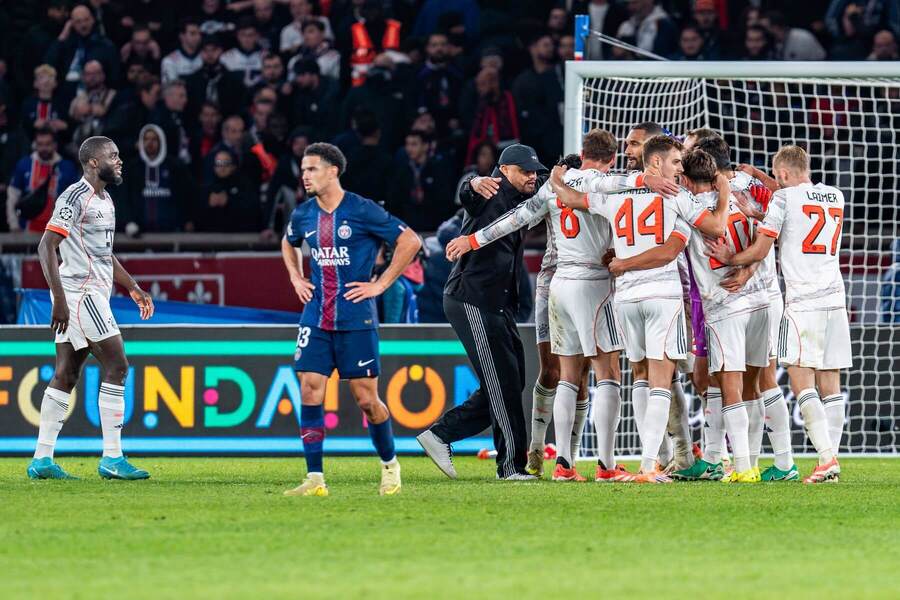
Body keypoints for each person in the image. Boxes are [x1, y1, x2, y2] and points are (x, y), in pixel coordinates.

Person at [445, 131, 678, 481]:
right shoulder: (601, 181)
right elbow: (627, 180)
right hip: (593, 283)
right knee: (607, 373)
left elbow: (516, 218)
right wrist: (649, 178)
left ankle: (564, 464)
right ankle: (605, 464)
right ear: (611, 157)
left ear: (580, 153)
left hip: (558, 284)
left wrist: (472, 239)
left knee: (567, 376)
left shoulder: (555, 185)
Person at [552, 135, 730, 482]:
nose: (680, 168)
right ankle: (650, 464)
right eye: (676, 162)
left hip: (626, 299)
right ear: (656, 163)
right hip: (661, 295)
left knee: (639, 377)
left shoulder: (615, 197)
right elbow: (717, 227)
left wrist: (557, 179)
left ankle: (654, 461)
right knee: (661, 381)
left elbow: (571, 198)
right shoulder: (676, 196)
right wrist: (722, 194)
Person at [281, 142, 422, 496]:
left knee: (366, 401)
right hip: (315, 317)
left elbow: (411, 241)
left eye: (312, 169)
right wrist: (297, 277)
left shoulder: (362, 210)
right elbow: (289, 241)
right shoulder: (303, 214)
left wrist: (380, 284)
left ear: (333, 171)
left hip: (356, 319)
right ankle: (315, 479)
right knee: (310, 389)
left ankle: (390, 465)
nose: (305, 176)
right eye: (303, 170)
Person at [707, 145, 850, 484]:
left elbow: (759, 249)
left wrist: (731, 257)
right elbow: (796, 210)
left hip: (803, 302)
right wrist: (759, 192)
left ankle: (826, 460)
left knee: (801, 380)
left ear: (782, 174)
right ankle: (830, 458)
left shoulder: (783, 201)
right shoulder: (835, 195)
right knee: (830, 382)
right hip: (836, 298)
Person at [416, 144, 547, 481]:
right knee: (502, 384)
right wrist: (471, 182)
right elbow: (467, 194)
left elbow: (551, 181)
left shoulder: (524, 193)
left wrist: (567, 167)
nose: (533, 176)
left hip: (496, 302)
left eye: (535, 170)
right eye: (526, 170)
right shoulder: (489, 190)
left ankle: (441, 434)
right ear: (504, 171)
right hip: (472, 298)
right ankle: (510, 468)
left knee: (510, 380)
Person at [27, 135, 154, 481]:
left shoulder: (106, 200)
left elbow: (104, 253)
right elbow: (45, 246)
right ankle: (112, 456)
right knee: (118, 365)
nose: (120, 160)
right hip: (80, 294)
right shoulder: (74, 197)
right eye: (113, 156)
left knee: (67, 372)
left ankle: (41, 459)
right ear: (94, 162)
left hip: (90, 292)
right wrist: (61, 301)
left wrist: (132, 287)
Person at [123, 124, 194, 234]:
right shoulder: (132, 168)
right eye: (146, 139)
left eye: (154, 139)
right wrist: (129, 221)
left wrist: (187, 219)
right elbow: (125, 198)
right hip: (139, 234)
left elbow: (186, 195)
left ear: (161, 141)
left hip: (172, 232)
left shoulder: (175, 166)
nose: (149, 143)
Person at [6, 128, 79, 233]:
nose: (44, 148)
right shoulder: (24, 165)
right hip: (27, 231)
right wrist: (14, 226)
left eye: (48, 144)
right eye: (40, 144)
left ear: (55, 145)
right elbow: (12, 197)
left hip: (56, 233)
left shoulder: (67, 167)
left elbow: (76, 200)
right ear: (35, 145)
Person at [161, 18, 203, 84]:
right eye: (193, 33)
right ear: (182, 36)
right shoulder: (169, 61)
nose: (198, 37)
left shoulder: (205, 56)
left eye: (199, 33)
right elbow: (170, 90)